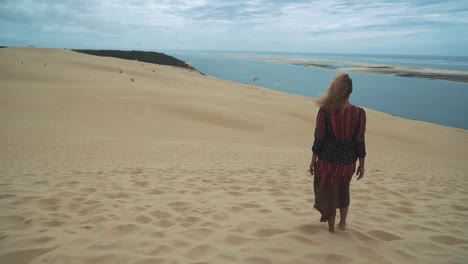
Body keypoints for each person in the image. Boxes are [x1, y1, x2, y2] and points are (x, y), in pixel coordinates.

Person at [309, 73, 366, 233]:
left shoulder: (325, 111)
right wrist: (361, 164)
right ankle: (343, 223)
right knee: (343, 189)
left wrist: (313, 160)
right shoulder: (359, 113)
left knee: (329, 193)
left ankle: (332, 229)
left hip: (328, 160)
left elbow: (319, 138)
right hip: (348, 161)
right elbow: (360, 140)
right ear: (350, 92)